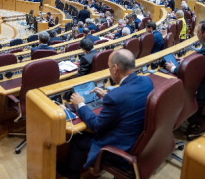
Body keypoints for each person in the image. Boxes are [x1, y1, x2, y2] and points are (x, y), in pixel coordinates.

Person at [60, 49, 154, 178]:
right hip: (140, 141)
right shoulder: (147, 81)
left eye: (109, 67)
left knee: (79, 137)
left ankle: (72, 173)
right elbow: (129, 100)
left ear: (115, 68)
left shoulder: (116, 96)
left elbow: (96, 125)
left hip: (121, 147)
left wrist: (80, 104)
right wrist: (107, 95)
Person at [166, 20, 205, 136]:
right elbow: (200, 62)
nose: (196, 33)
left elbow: (190, 71)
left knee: (182, 92)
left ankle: (202, 121)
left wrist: (173, 68)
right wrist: (186, 61)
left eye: (198, 31)